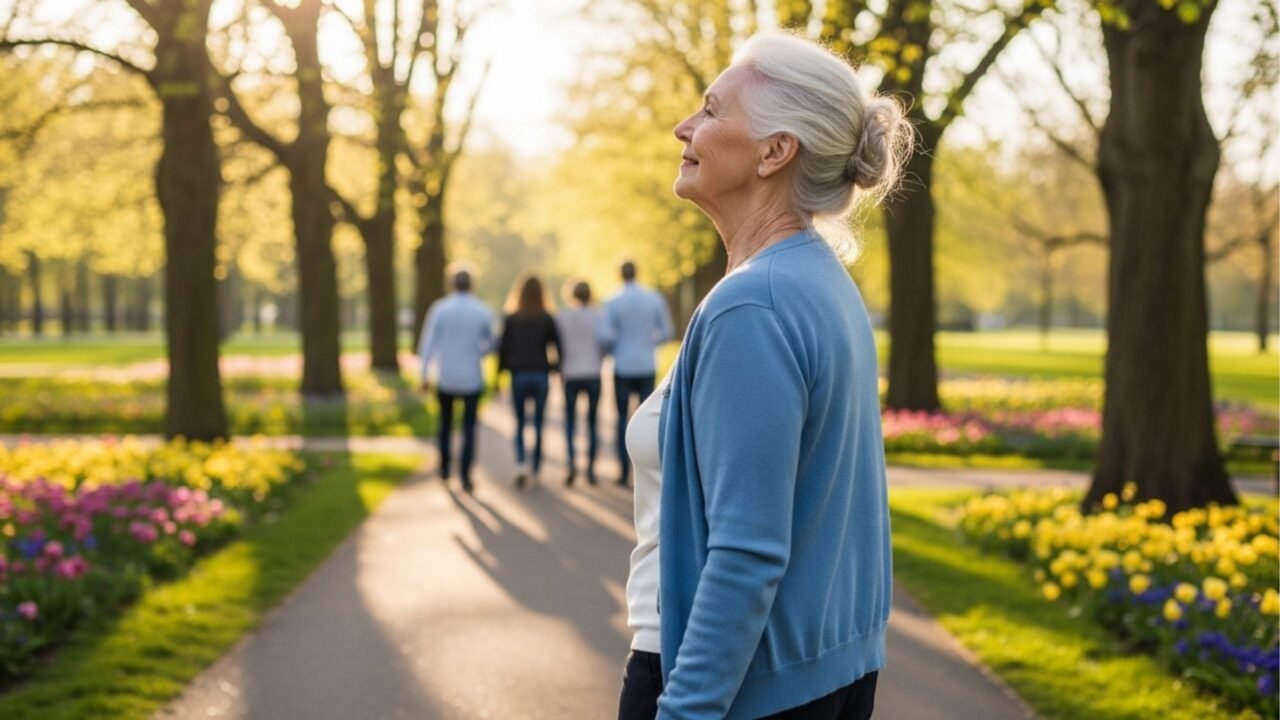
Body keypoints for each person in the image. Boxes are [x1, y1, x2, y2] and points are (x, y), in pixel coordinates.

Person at [620, 32, 911, 719]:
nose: (683, 127)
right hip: (826, 671)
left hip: (722, 679)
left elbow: (747, 552)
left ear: (775, 152)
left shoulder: (753, 304)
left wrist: (685, 709)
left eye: (712, 110)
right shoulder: (819, 282)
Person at [417, 268, 495, 494]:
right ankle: (466, 475)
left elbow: (428, 343)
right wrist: (477, 353)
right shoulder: (482, 311)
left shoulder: (440, 309)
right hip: (471, 376)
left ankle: (444, 468)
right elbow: (491, 344)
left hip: (446, 377)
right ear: (472, 284)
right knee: (469, 427)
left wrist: (424, 374)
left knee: (445, 424)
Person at [602, 261, 674, 487]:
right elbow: (667, 332)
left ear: (619, 275)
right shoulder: (653, 298)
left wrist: (619, 345)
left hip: (622, 366)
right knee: (648, 421)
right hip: (646, 364)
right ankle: (648, 473)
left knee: (622, 418)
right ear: (638, 272)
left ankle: (623, 471)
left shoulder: (612, 301)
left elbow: (605, 337)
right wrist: (648, 343)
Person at [497, 274, 561, 489]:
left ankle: (521, 463)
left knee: (520, 422)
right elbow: (557, 347)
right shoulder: (546, 317)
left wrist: (499, 376)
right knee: (540, 423)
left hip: (519, 374)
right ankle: (536, 468)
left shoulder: (512, 318)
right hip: (540, 374)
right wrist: (556, 369)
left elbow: (503, 349)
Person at [556, 281, 607, 486]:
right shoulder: (599, 315)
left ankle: (571, 464)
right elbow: (604, 343)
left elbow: (558, 345)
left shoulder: (563, 316)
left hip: (571, 373)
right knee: (592, 421)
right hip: (593, 372)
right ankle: (591, 468)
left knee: (570, 421)